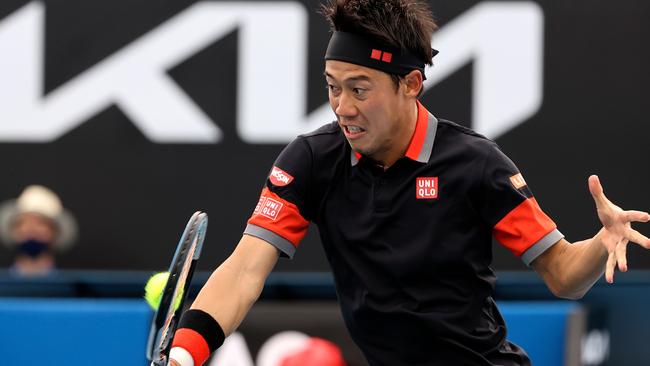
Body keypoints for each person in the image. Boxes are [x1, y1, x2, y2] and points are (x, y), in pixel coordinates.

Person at [166, 0, 650, 365]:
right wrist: (187, 351)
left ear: (411, 84)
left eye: (359, 89)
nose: (342, 107)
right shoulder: (311, 160)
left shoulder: (475, 165)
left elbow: (563, 275)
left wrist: (600, 244)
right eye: (333, 86)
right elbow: (244, 271)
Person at [0, 185, 78, 277]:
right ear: (14, 230)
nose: (31, 229)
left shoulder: (68, 289)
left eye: (41, 223)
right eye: (24, 223)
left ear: (55, 232)